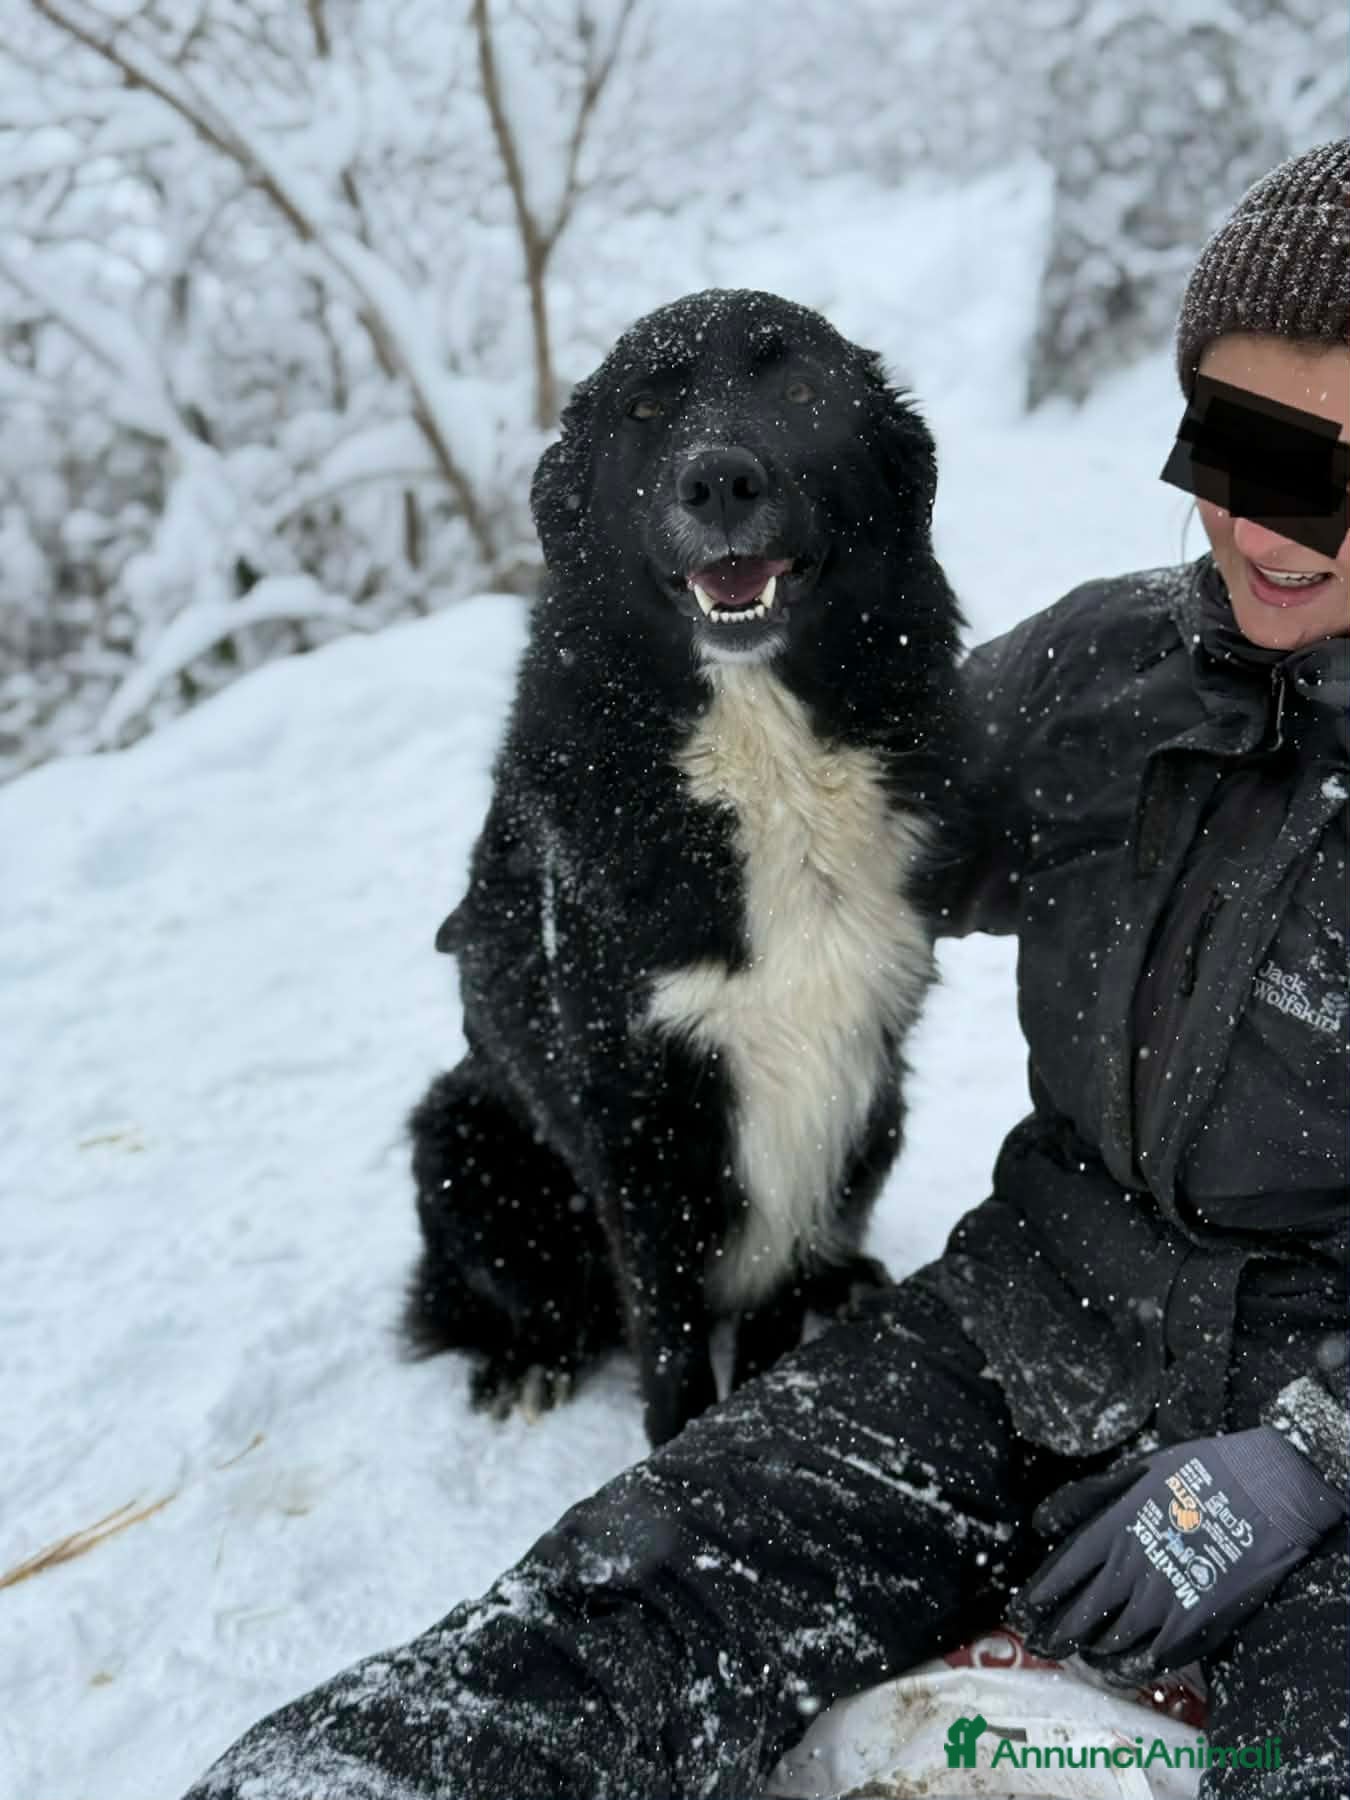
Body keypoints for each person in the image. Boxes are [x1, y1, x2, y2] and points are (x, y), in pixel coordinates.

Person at [182, 140, 1350, 1800]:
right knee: (598, 1637)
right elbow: (809, 822)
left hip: (1317, 1431)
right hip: (1027, 1324)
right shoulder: (1110, 672)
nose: (1267, 520)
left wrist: (1308, 1456)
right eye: (1242, 446)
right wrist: (552, 865)